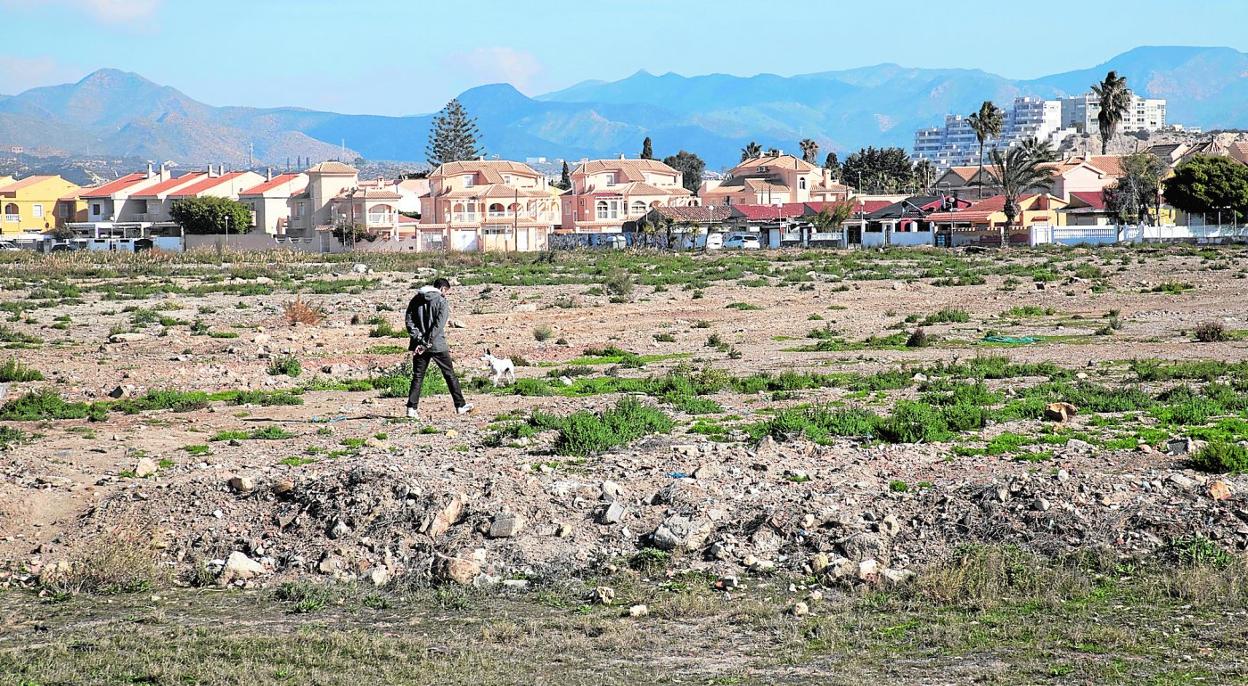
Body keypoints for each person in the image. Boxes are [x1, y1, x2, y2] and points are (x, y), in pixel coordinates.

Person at [404, 277, 473, 420]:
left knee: (418, 376)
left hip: (418, 346)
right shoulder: (442, 301)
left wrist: (419, 340)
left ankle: (411, 408)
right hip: (437, 345)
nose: (445, 294)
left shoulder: (416, 299)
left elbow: (409, 321)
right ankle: (460, 405)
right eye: (446, 291)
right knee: (449, 374)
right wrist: (426, 343)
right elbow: (438, 325)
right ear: (442, 289)